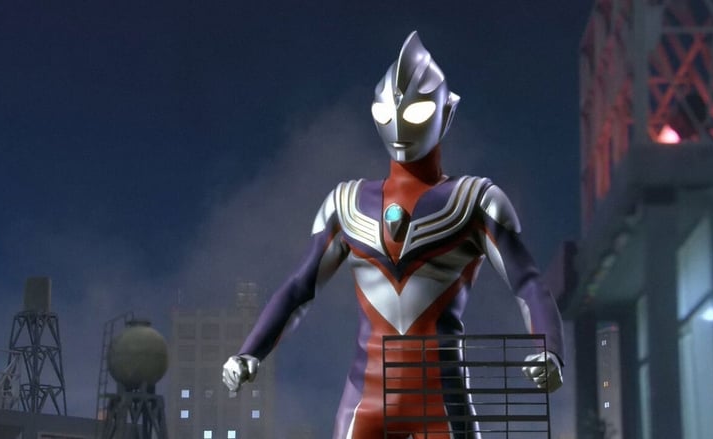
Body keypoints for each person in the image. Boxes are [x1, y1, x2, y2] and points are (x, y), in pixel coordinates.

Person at [222, 31, 564, 439]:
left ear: (446, 112)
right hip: (367, 400)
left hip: (441, 399)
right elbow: (299, 289)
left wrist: (550, 350)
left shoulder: (475, 201)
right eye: (386, 112)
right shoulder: (346, 203)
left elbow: (527, 284)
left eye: (417, 112)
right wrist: (250, 352)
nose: (400, 124)